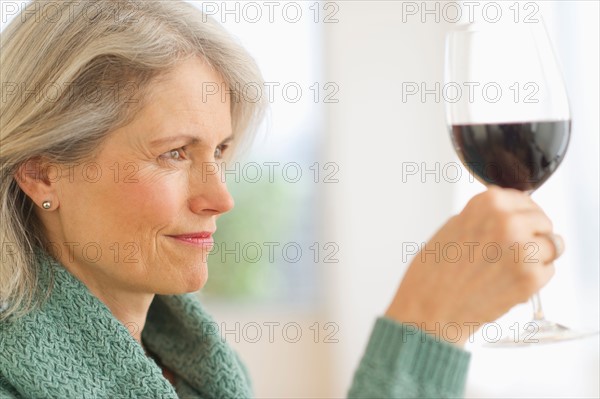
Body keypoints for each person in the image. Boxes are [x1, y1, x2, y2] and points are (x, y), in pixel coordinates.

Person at [0, 1, 563, 398]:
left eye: (219, 150)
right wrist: (425, 329)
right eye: (174, 153)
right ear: (41, 172)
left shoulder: (197, 368)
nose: (220, 197)